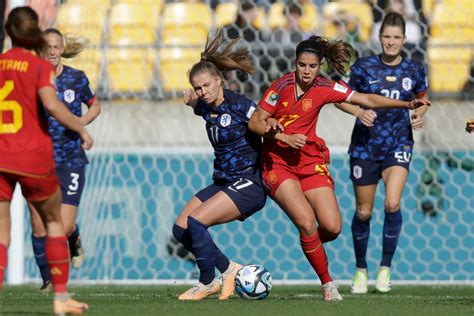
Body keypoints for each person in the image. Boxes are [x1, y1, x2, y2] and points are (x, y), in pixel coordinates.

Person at [248, 35, 429, 301]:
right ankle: (328, 284)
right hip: (278, 163)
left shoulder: (325, 86)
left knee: (332, 227)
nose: (307, 71)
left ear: (320, 65)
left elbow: (368, 99)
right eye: (302, 65)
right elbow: (255, 123)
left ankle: (310, 244)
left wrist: (406, 104)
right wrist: (281, 136)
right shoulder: (281, 86)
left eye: (312, 66)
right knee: (308, 222)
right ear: (295, 64)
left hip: (309, 162)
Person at [0, 6, 91, 314]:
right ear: (34, 32)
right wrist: (80, 127)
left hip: (1, 155)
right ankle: (62, 298)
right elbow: (52, 106)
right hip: (32, 157)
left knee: (2, 232)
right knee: (54, 222)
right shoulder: (38, 66)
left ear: (9, 31)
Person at [336, 11, 429, 294]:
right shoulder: (364, 67)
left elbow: (422, 100)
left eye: (396, 37)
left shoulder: (414, 69)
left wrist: (419, 114)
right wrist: (359, 110)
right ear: (379, 38)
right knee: (364, 211)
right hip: (365, 147)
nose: (391, 42)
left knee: (392, 203)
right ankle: (361, 269)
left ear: (404, 39)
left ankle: (385, 268)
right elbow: (339, 98)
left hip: (399, 144)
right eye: (386, 37)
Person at [172, 28, 267, 301]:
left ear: (219, 80)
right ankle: (228, 269)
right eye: (197, 88)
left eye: (206, 86)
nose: (202, 92)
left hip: (248, 183)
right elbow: (199, 107)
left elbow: (261, 120)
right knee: (181, 229)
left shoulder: (241, 106)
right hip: (224, 181)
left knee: (196, 221)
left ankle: (206, 281)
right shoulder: (206, 105)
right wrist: (191, 103)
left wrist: (276, 129)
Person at [28, 28, 101, 291]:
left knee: (64, 224)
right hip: (37, 160)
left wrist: (81, 123)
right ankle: (48, 280)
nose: (52, 52)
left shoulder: (75, 78)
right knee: (39, 225)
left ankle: (74, 237)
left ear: (62, 49)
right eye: (47, 47)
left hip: (70, 158)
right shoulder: (32, 78)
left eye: (56, 47)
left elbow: (95, 104)